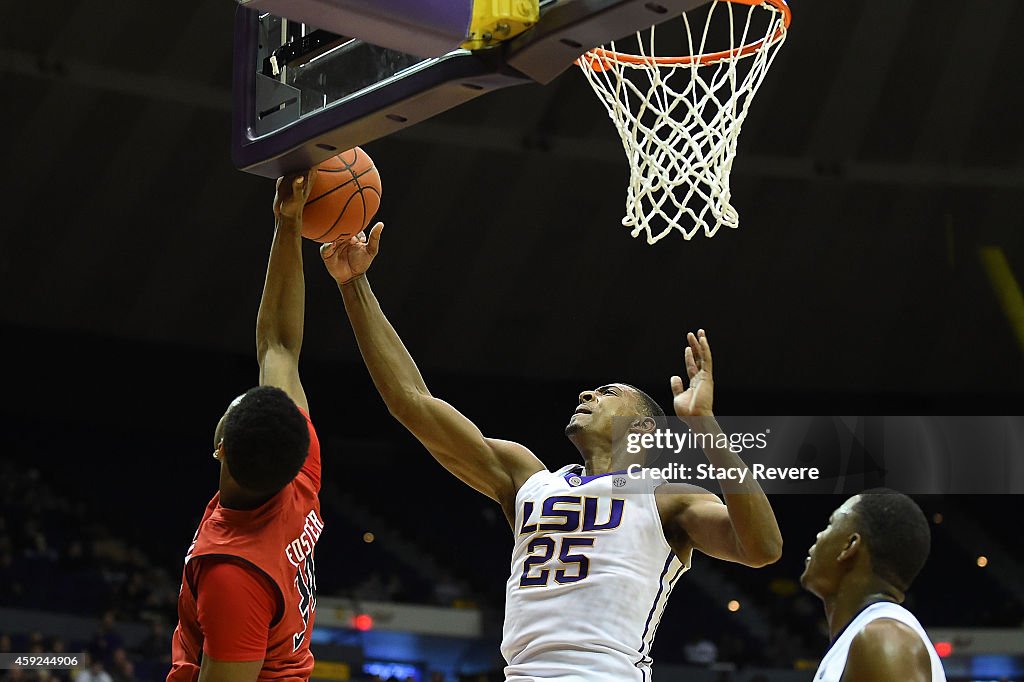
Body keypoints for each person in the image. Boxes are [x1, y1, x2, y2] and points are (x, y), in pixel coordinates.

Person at [320, 225, 783, 681]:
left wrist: (706, 427)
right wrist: (353, 284)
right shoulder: (528, 478)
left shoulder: (669, 499)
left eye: (607, 392)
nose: (587, 392)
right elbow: (413, 404)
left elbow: (761, 549)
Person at [168, 170, 326, 682]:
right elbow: (279, 344)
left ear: (220, 449)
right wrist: (289, 224)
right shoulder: (299, 475)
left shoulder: (233, 573)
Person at [800, 490, 947, 681]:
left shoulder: (884, 638)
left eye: (831, 524)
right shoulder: (861, 637)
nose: (820, 535)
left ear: (850, 545)